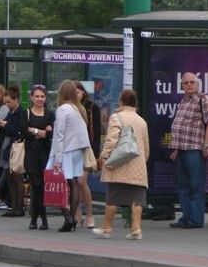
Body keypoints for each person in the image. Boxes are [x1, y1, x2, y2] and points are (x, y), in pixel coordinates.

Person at [93, 89, 149, 240]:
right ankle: (136, 229)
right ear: (135, 103)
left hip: (120, 164)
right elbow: (146, 147)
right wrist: (142, 161)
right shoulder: (141, 121)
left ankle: (106, 228)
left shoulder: (117, 117)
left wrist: (104, 156)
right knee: (137, 198)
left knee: (113, 196)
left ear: (121, 101)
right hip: (137, 164)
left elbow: (111, 139)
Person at [169, 72, 208, 229]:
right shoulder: (183, 101)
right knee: (183, 186)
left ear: (198, 84)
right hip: (181, 149)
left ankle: (195, 219)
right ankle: (186, 216)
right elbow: (179, 124)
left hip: (195, 149)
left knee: (195, 185)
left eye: (192, 82)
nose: (188, 85)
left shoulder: (204, 99)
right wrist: (175, 148)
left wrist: (206, 146)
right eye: (185, 83)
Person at [47, 80, 91, 232]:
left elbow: (59, 135)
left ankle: (67, 217)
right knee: (73, 184)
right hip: (77, 150)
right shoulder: (78, 109)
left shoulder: (63, 109)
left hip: (64, 150)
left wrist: (57, 159)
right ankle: (72, 216)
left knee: (58, 183)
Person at [22, 84, 54, 230]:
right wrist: (40, 131)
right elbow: (23, 132)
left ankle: (37, 219)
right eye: (37, 96)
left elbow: (51, 134)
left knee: (41, 187)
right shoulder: (26, 113)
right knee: (37, 185)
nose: (39, 99)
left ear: (45, 98)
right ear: (31, 97)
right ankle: (41, 219)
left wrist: (35, 131)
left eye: (42, 96)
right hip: (31, 155)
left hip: (45, 155)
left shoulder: (49, 114)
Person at [75, 81, 102, 229]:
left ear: (83, 92)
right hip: (72, 149)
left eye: (78, 92)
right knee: (74, 184)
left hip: (86, 149)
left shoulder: (92, 107)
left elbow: (96, 132)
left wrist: (96, 155)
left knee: (81, 181)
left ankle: (90, 214)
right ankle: (77, 212)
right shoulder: (68, 108)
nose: (76, 95)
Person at [0, 85, 25, 217]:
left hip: (16, 147)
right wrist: (1, 125)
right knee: (9, 178)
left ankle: (19, 206)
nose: (7, 105)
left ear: (16, 100)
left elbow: (20, 131)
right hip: (9, 147)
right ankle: (13, 206)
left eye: (8, 102)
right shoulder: (11, 112)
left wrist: (6, 125)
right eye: (5, 102)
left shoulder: (21, 113)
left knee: (17, 178)